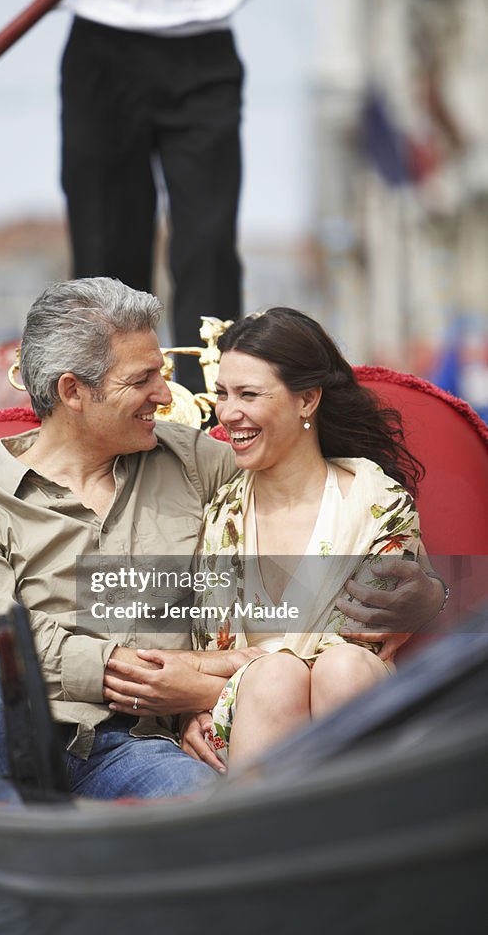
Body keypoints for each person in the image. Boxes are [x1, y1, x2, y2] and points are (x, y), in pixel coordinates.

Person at [0, 281, 446, 796]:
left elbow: (318, 500)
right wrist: (135, 669)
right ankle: (10, 823)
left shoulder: (190, 460)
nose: (166, 393)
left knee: (200, 803)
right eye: (143, 379)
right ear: (73, 393)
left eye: (162, 372)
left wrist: (431, 595)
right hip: (18, 732)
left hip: (137, 745)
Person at [0, 0, 269, 390]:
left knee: (209, 249)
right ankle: (109, 407)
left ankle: (212, 415)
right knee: (105, 254)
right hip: (102, 46)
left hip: (206, 45)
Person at [139, 307, 427, 770]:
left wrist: (201, 676)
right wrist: (205, 697)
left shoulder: (378, 502)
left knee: (341, 667)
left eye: (248, 394)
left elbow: (356, 643)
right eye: (222, 394)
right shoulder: (221, 510)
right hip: (240, 722)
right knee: (276, 678)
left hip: (347, 705)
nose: (227, 414)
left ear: (307, 400)